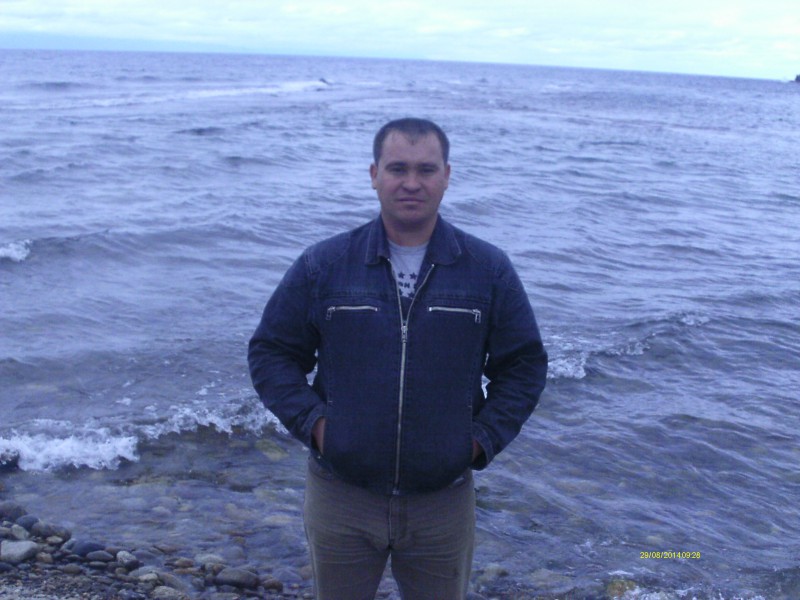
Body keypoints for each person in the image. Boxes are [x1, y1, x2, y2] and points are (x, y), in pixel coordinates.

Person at [248, 117, 548, 599]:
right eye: (398, 168)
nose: (412, 182)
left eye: (426, 169)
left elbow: (524, 366)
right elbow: (272, 352)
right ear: (374, 175)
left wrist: (478, 441)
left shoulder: (487, 270)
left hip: (442, 502)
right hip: (341, 495)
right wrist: (318, 426)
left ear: (447, 175)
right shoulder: (324, 265)